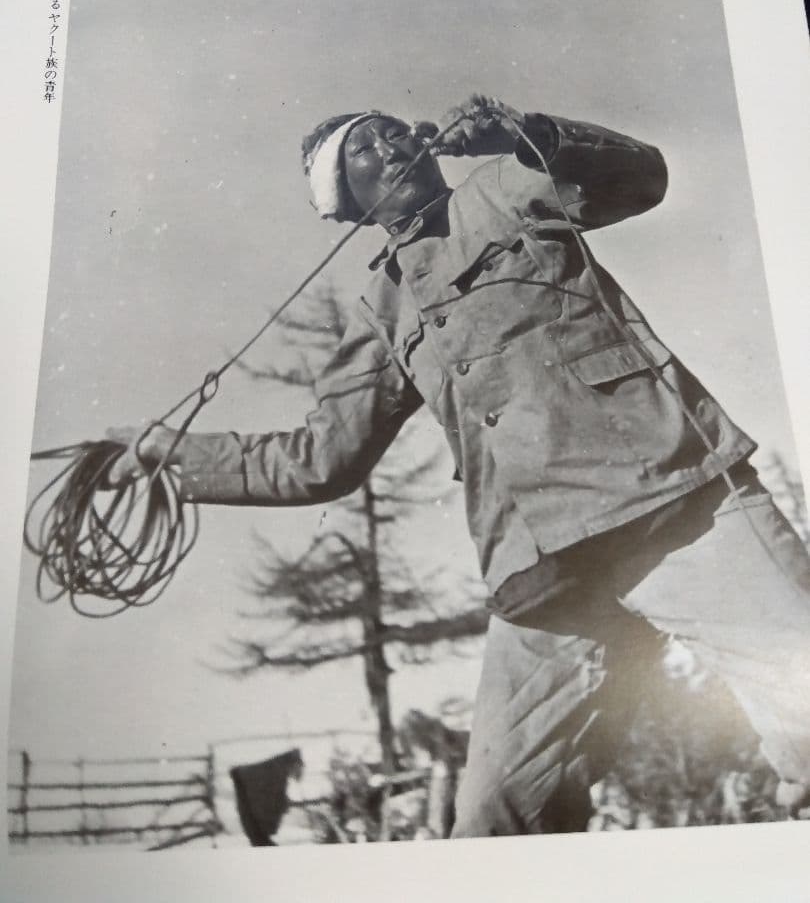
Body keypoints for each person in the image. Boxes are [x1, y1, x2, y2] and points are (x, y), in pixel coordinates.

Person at [107, 94, 810, 835]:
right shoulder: (382, 305)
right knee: (495, 822)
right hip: (542, 573)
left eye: (392, 130)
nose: (393, 144)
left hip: (672, 502)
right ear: (348, 203)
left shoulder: (510, 185)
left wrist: (528, 133)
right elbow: (321, 460)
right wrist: (167, 457)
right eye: (363, 151)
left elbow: (641, 177)